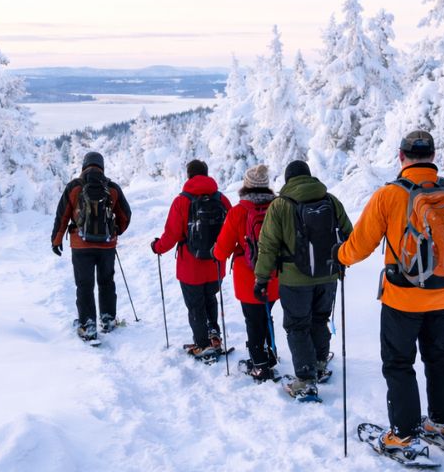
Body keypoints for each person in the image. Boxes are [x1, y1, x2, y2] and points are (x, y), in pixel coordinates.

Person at [337, 130, 444, 455]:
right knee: (440, 356)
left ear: (401, 157)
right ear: (433, 155)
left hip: (402, 296)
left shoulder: (389, 196)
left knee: (399, 363)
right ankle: (443, 423)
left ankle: (404, 434)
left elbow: (360, 245)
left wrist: (340, 256)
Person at [253, 160, 352, 400]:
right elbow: (349, 234)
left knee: (297, 325)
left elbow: (267, 246)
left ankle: (306, 380)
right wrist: (341, 264)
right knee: (320, 319)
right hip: (328, 274)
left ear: (288, 181)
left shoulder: (280, 205)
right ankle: (319, 364)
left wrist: (261, 278)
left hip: (294, 279)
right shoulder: (330, 200)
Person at [151, 160, 231, 358]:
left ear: (189, 176)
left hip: (190, 266)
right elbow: (230, 230)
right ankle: (214, 336)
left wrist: (157, 247)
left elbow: (172, 234)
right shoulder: (222, 199)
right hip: (216, 264)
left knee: (195, 305)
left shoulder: (182, 201)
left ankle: (203, 345)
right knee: (210, 298)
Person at [51, 151, 132, 342]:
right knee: (106, 281)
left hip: (81, 245)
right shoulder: (111, 187)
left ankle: (87, 324)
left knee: (84, 285)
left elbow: (61, 216)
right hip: (106, 245)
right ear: (101, 166)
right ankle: (108, 319)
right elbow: (126, 215)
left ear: (84, 166)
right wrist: (115, 231)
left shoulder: (74, 187)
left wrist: (56, 241)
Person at [212, 164, 281, 381]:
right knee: (266, 315)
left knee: (253, 319)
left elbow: (221, 249)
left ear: (247, 185)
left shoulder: (238, 212)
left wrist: (219, 251)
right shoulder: (278, 207)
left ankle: (259, 364)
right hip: (274, 275)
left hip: (247, 277)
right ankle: (268, 356)